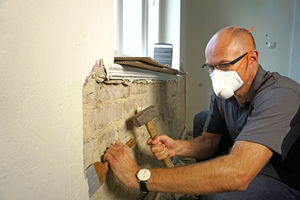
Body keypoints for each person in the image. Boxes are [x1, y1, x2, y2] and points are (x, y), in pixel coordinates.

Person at [103, 26, 300, 199]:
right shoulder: (224, 94)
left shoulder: (279, 95)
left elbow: (239, 173)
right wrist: (177, 147)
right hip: (248, 158)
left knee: (219, 194)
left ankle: (210, 191)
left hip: (284, 178)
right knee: (202, 119)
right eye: (211, 67)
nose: (217, 74)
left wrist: (139, 177)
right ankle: (205, 186)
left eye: (224, 65)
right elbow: (208, 142)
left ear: (252, 59)